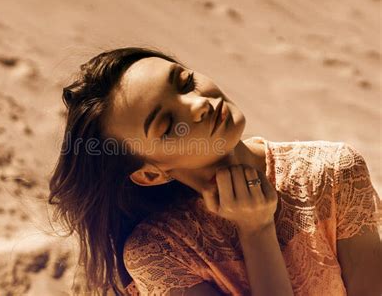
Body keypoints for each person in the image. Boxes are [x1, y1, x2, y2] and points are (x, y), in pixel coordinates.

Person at [48, 47, 382, 295]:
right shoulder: (159, 251)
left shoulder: (334, 172)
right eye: (167, 125)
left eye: (185, 82)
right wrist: (256, 231)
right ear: (151, 174)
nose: (198, 105)